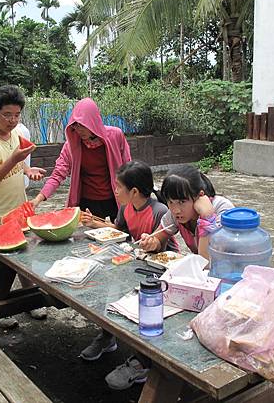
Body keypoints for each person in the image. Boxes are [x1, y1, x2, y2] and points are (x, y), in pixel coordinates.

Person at [80, 160, 175, 388]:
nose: (114, 191)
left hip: (158, 272)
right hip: (134, 264)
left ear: (133, 191)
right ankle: (107, 336)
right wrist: (94, 222)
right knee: (102, 285)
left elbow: (157, 246)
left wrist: (148, 243)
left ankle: (143, 362)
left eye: (117, 187)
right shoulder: (126, 208)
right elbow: (121, 232)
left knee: (141, 309)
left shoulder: (159, 211)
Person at [0, 86, 47, 327]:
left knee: (25, 257)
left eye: (17, 115)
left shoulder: (14, 135)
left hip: (19, 208)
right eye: (7, 115)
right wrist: (14, 160)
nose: (13, 121)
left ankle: (32, 302)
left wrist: (27, 169)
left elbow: (19, 161)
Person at [31, 98, 131, 222]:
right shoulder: (72, 145)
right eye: (75, 126)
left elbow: (128, 167)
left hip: (116, 197)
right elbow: (58, 174)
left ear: (93, 122)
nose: (79, 130)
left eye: (83, 125)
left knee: (122, 234)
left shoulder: (115, 135)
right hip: (89, 202)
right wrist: (38, 199)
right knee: (93, 237)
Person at [139, 164, 234, 259]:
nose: (176, 210)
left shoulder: (222, 210)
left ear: (199, 195)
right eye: (170, 202)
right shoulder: (174, 214)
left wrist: (207, 217)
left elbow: (209, 260)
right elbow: (158, 238)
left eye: (182, 201)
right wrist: (152, 243)